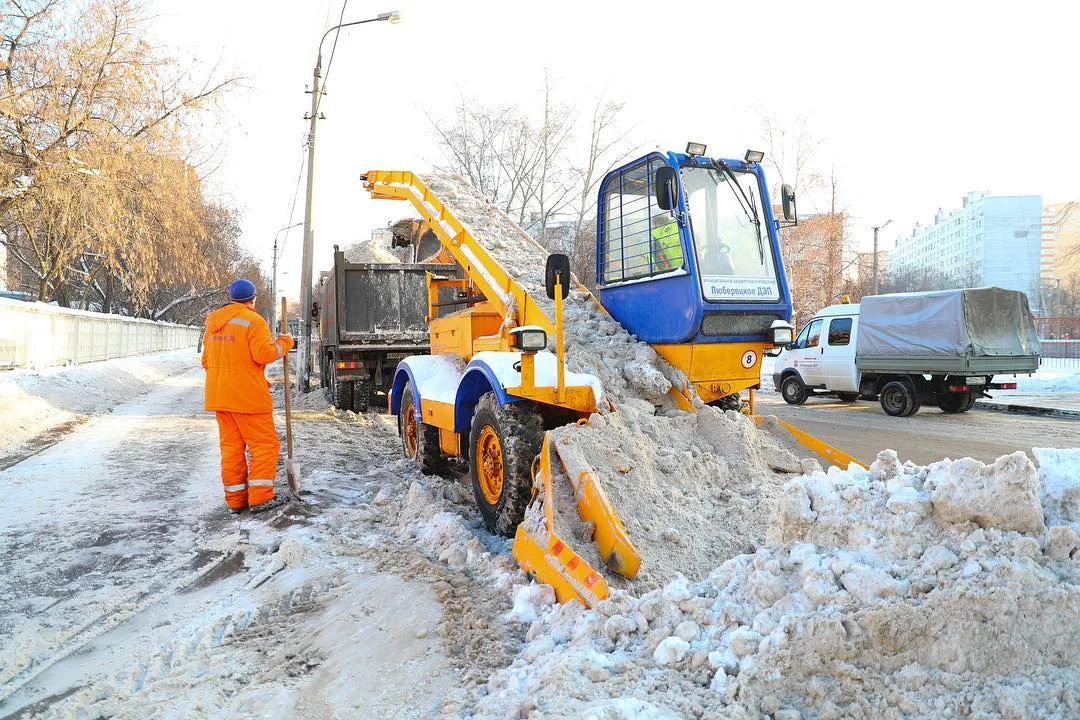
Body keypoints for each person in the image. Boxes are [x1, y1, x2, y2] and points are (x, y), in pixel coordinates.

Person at [202, 279, 295, 514]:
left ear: (231, 297)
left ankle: (236, 500)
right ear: (253, 299)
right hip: (248, 399)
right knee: (264, 445)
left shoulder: (213, 323)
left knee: (231, 448)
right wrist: (285, 343)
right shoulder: (253, 320)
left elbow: (207, 361)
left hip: (219, 396)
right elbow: (264, 354)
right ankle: (261, 497)